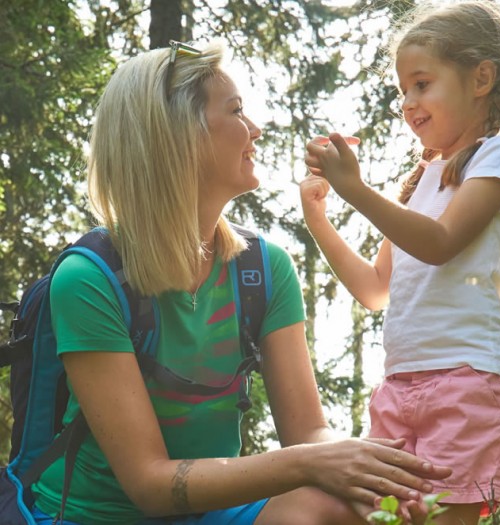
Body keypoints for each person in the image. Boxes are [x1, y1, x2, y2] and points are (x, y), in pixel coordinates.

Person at [28, 41, 450, 525]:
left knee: (343, 506)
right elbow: (149, 483)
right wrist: (312, 463)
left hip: (211, 513)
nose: (256, 129)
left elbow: (309, 432)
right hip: (94, 517)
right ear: (177, 136)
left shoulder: (263, 269)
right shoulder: (89, 280)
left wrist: (369, 466)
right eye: (235, 111)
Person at [300, 1, 500, 524]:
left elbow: (440, 242)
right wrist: (321, 220)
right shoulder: (421, 180)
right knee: (381, 517)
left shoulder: (499, 154)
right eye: (403, 89)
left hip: (467, 383)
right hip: (399, 387)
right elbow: (375, 288)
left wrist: (355, 189)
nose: (408, 102)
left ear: (482, 78)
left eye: (422, 84)